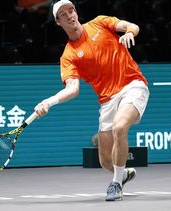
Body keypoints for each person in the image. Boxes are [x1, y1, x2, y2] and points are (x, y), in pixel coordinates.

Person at [34, 0, 149, 201]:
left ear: (76, 12)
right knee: (105, 161)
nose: (70, 15)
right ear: (58, 22)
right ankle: (124, 173)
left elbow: (132, 26)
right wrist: (49, 102)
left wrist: (130, 32)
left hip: (132, 85)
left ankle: (116, 184)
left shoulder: (100, 22)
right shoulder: (68, 56)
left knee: (120, 127)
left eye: (71, 10)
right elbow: (73, 89)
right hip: (107, 100)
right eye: (63, 14)